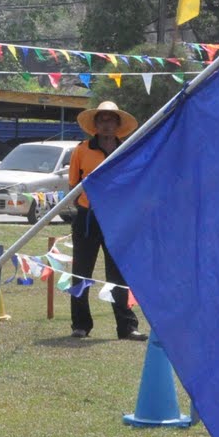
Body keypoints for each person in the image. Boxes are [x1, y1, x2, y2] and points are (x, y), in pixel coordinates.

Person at [67, 100, 145, 341]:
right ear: (96, 124)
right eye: (102, 119)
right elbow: (73, 185)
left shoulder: (127, 149)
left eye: (111, 119)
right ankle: (80, 325)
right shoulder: (81, 150)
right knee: (81, 273)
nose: (107, 124)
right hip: (87, 218)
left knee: (118, 274)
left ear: (118, 124)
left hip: (118, 219)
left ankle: (127, 327)